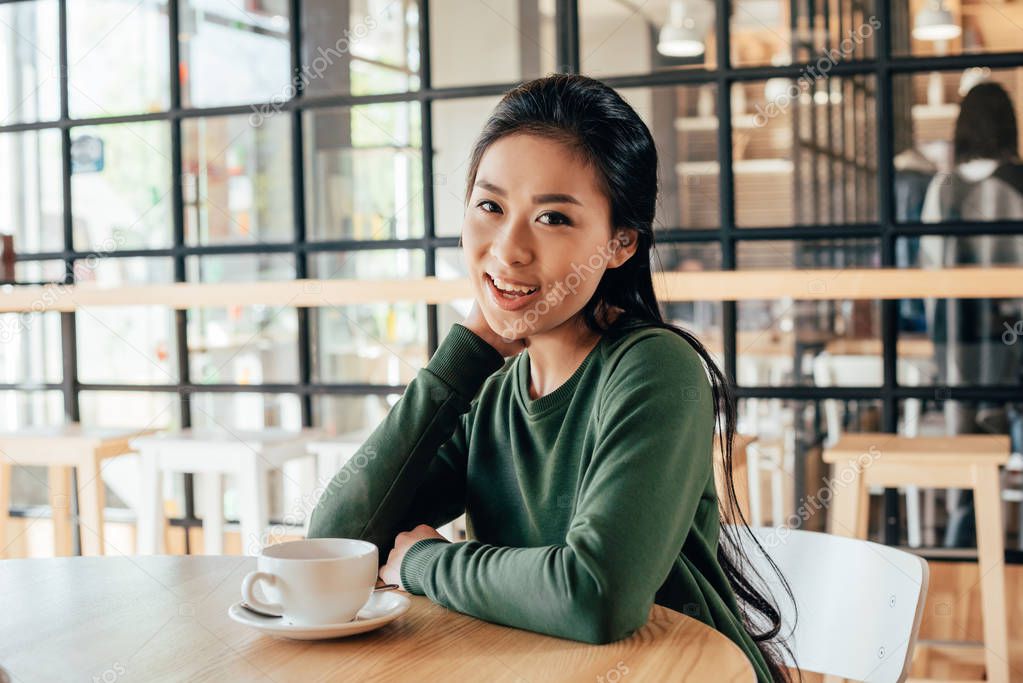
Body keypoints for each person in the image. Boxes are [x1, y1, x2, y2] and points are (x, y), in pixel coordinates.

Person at [308, 74, 796, 682]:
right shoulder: (487, 388)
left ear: (620, 243)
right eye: (490, 207)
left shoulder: (654, 370)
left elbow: (596, 595)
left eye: (553, 219)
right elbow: (335, 545)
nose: (508, 249)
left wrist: (426, 562)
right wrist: (459, 359)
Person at [919, 80, 1023, 547]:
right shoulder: (1019, 182)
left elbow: (928, 271)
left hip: (956, 335)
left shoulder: (943, 188)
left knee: (966, 437)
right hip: (1013, 332)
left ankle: (966, 533)